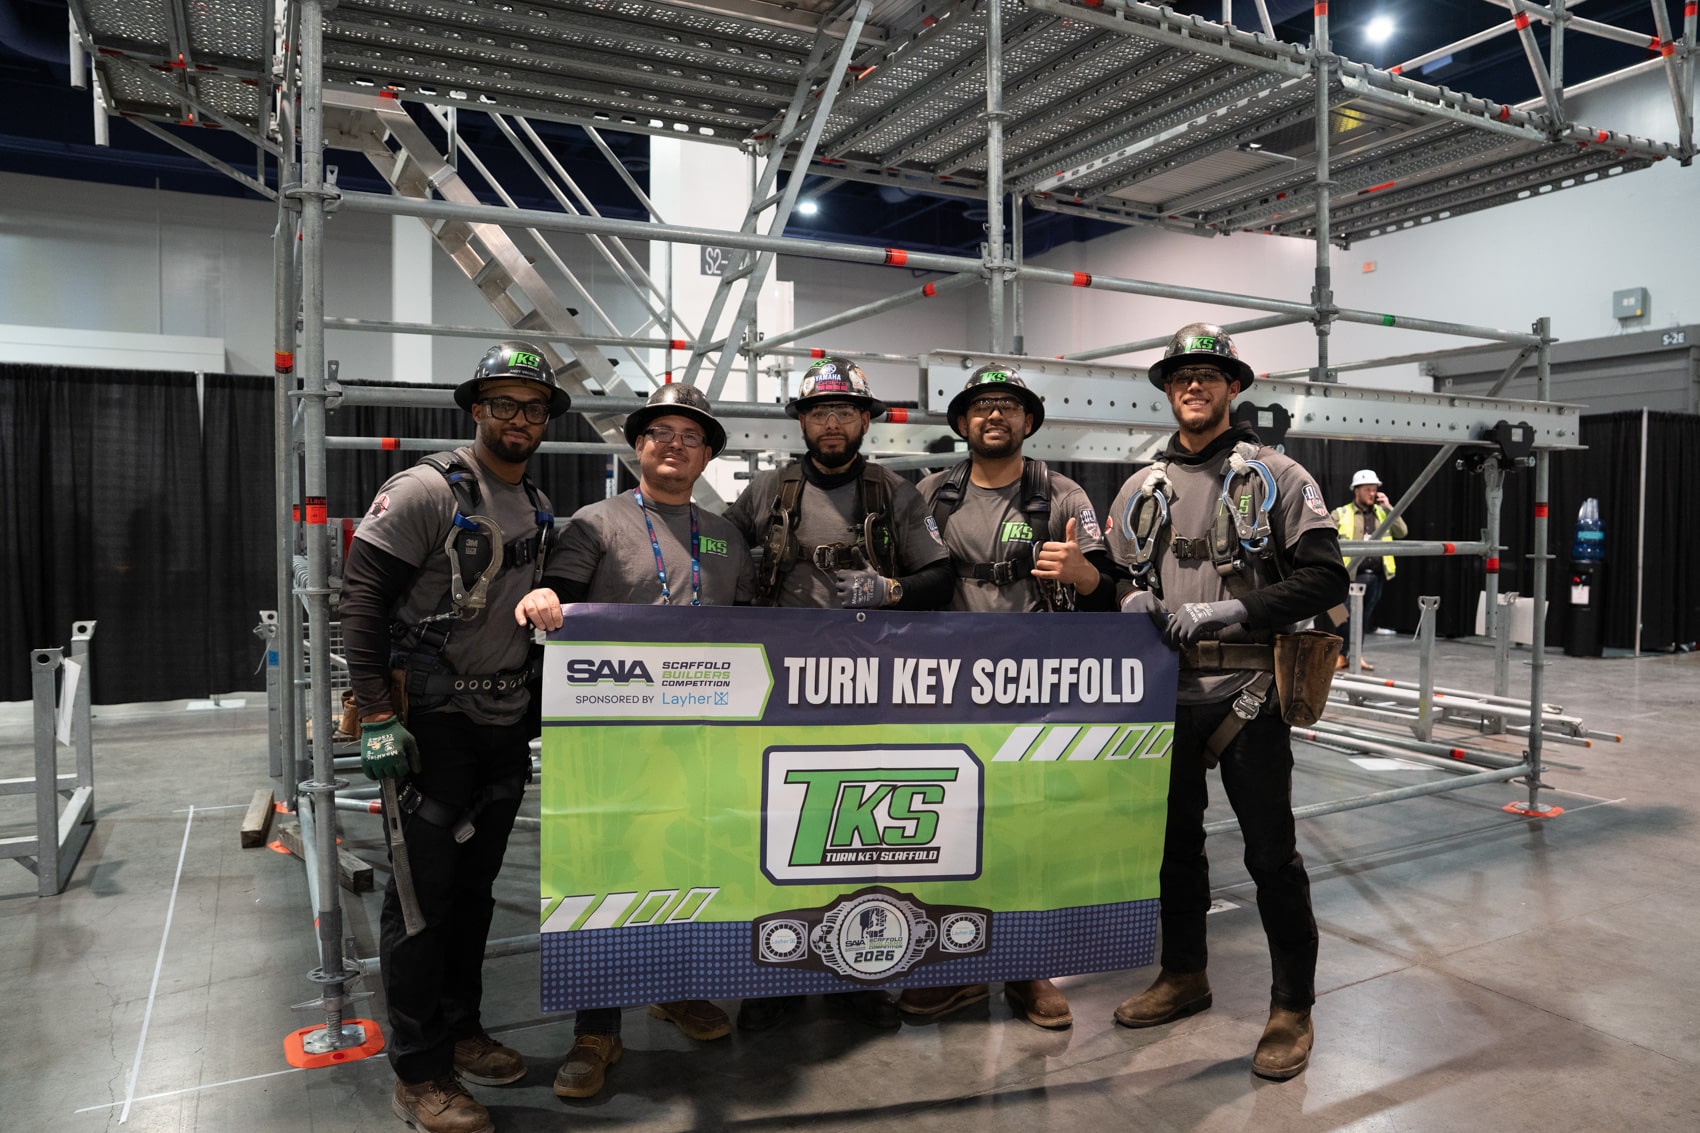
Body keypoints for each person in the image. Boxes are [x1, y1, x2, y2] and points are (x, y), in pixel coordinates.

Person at [1105, 323, 1348, 1082]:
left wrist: (1234, 608)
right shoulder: (1139, 487)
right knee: (1173, 848)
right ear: (1167, 389)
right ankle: (1184, 974)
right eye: (1181, 375)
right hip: (1165, 695)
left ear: (1233, 387)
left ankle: (1292, 1006)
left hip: (1250, 695)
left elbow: (1325, 577)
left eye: (1208, 374)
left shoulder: (1278, 476)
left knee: (1270, 854)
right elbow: (1111, 573)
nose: (1194, 384)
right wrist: (1126, 595)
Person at [340, 341, 571, 1133]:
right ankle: (419, 1071)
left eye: (532, 407)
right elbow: (361, 600)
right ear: (476, 409)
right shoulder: (425, 490)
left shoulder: (536, 503)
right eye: (503, 403)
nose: (519, 418)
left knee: (474, 894)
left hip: (501, 721)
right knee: (421, 901)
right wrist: (377, 714)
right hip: (429, 723)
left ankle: (461, 1028)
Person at [518, 383, 756, 1101]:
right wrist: (544, 600)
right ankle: (596, 1029)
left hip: (706, 735)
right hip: (612, 738)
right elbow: (557, 598)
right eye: (661, 433)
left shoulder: (727, 534)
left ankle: (675, 989)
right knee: (605, 868)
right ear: (637, 446)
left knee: (693, 854)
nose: (675, 445)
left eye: (691, 435)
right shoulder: (596, 523)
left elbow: (750, 624)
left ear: (708, 454)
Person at [724, 354, 954, 1031]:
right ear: (802, 421)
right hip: (779, 689)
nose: (832, 422)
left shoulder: (896, 494)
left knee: (861, 831)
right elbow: (716, 553)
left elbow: (940, 576)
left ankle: (856, 971)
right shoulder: (767, 491)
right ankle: (776, 974)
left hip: (868, 688)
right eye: (819, 411)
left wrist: (892, 589)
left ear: (865, 420)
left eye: (845, 411)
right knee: (777, 827)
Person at [898, 363, 1120, 1030]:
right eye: (982, 406)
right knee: (948, 825)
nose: (994, 415)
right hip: (945, 690)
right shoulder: (930, 494)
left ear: (1028, 420)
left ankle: (1028, 968)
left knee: (1029, 828)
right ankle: (956, 965)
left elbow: (1108, 591)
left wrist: (1083, 575)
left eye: (1008, 406)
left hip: (1032, 688)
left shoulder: (1061, 494)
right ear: (963, 421)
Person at [1329, 469, 1408, 670]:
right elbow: (1326, 537)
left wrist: (1389, 507)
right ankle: (1340, 654)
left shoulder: (1382, 513)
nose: (1372, 493)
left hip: (1374, 577)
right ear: (1357, 490)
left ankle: (1356, 655)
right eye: (1368, 489)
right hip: (1347, 576)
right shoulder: (1341, 513)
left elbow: (1402, 532)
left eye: (1374, 489)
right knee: (1340, 614)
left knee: (1362, 618)